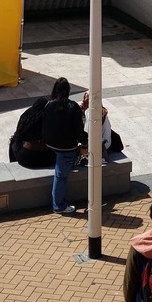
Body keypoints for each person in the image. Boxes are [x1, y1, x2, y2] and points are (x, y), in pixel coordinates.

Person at [40, 77, 88, 214]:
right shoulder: (73, 108)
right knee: (61, 176)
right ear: (68, 91)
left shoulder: (48, 105)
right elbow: (79, 132)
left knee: (60, 171)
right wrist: (85, 144)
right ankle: (59, 206)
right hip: (66, 148)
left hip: (49, 145)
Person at [8, 97, 55, 169]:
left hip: (23, 156)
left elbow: (18, 134)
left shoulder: (26, 116)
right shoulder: (44, 119)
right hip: (41, 158)